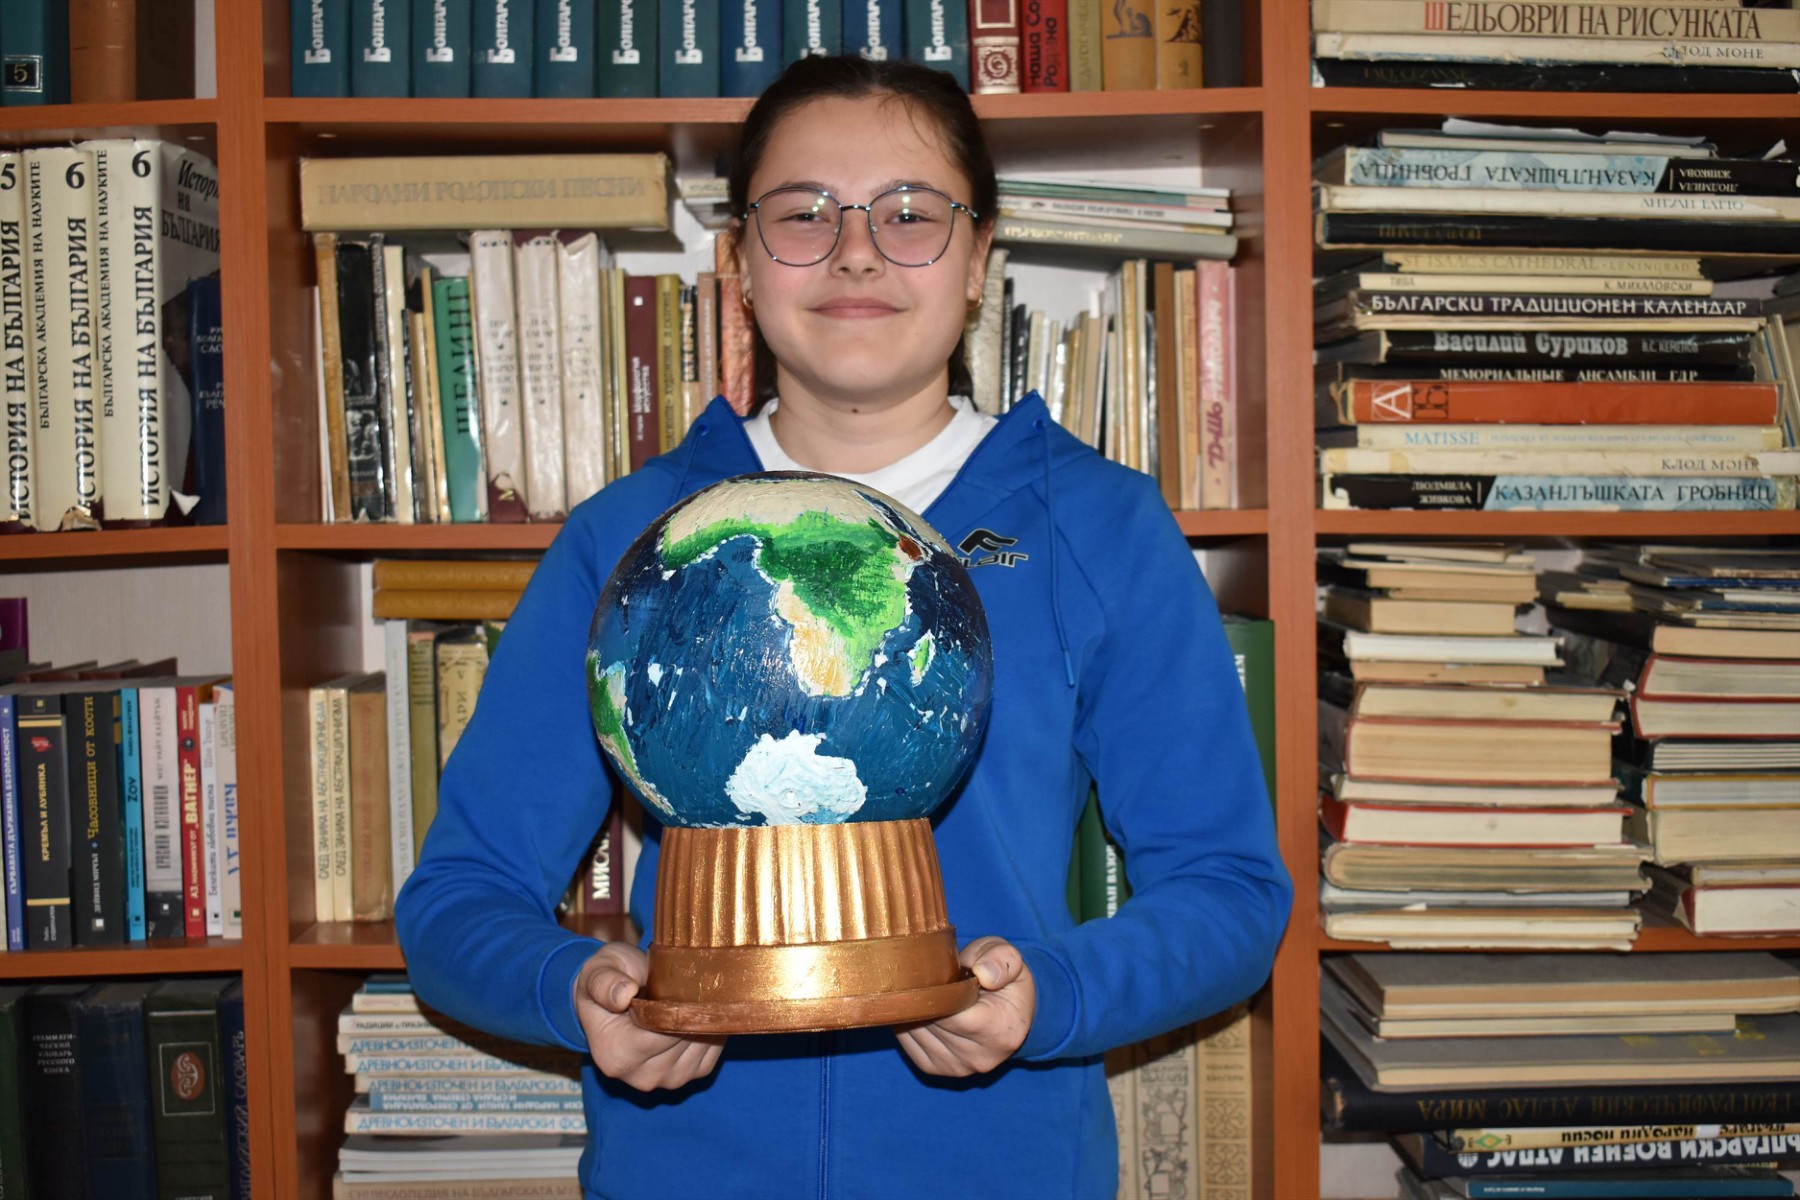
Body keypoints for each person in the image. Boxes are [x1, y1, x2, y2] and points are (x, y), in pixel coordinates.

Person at [396, 54, 1292, 1200]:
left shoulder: (1101, 527)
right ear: (738, 262)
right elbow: (456, 900)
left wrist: (1053, 996)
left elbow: (1230, 890)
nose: (856, 251)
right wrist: (570, 991)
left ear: (979, 258)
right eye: (803, 213)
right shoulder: (628, 541)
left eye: (910, 213)